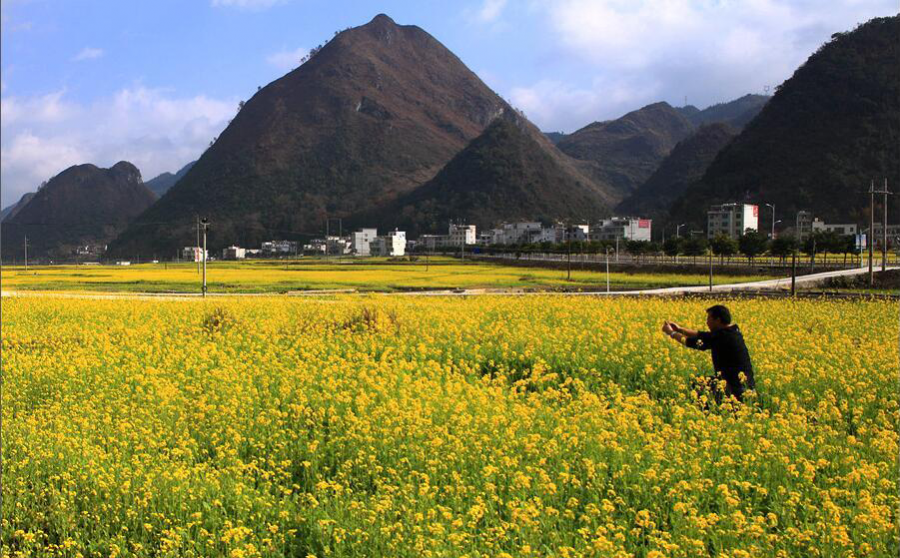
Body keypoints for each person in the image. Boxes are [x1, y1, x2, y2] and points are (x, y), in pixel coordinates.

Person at [662, 305, 756, 402]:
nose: (707, 322)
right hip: (746, 388)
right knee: (701, 383)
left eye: (708, 318)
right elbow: (703, 335)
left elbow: (690, 342)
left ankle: (706, 412)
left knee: (698, 385)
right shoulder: (732, 332)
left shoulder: (722, 337)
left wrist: (671, 333)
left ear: (718, 320)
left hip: (735, 390)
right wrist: (680, 329)